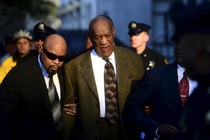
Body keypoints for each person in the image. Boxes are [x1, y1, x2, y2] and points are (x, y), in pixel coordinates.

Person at [123, 4, 200, 139]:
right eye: (176, 43)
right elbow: (134, 109)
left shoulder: (204, 78)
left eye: (185, 43)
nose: (178, 48)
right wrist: (157, 128)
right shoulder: (155, 76)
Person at [63, 15, 144, 140]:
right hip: (91, 132)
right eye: (98, 37)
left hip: (126, 130)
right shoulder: (73, 67)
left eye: (107, 35)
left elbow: (144, 99)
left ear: (113, 32)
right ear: (90, 37)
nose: (104, 41)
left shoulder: (133, 60)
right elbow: (69, 112)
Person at [0, 34, 68, 140]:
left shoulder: (66, 71)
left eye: (61, 58)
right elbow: (6, 119)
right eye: (51, 56)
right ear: (41, 49)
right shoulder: (18, 76)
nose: (56, 61)